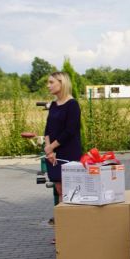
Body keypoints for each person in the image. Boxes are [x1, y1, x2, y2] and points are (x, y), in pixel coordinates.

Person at [44, 71, 82, 203]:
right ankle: (61, 220)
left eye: (51, 82)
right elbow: (47, 128)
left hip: (68, 152)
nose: (48, 86)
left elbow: (70, 131)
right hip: (53, 153)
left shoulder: (72, 105)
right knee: (59, 188)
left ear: (62, 83)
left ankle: (68, 220)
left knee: (69, 189)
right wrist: (49, 149)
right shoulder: (53, 105)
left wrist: (51, 147)